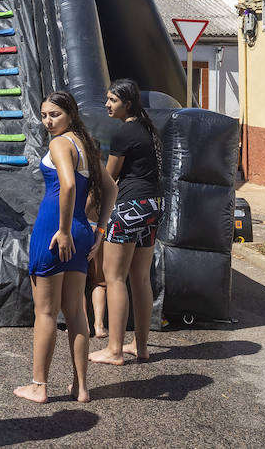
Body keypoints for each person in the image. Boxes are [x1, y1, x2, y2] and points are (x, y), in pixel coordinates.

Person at [15, 91, 115, 405]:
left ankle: (39, 386)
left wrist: (61, 230)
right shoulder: (86, 144)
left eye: (54, 115)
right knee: (75, 312)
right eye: (44, 115)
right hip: (82, 231)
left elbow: (68, 185)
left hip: (54, 232)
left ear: (70, 114)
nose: (47, 121)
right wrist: (100, 229)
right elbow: (111, 188)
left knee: (45, 312)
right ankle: (81, 387)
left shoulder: (60, 144)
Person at [90, 78, 166, 367]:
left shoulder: (125, 133)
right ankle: (141, 345)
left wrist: (90, 208)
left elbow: (109, 179)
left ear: (128, 103)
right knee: (140, 277)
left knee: (114, 277)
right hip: (153, 205)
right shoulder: (149, 130)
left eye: (113, 100)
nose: (107, 105)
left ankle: (114, 350)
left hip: (129, 207)